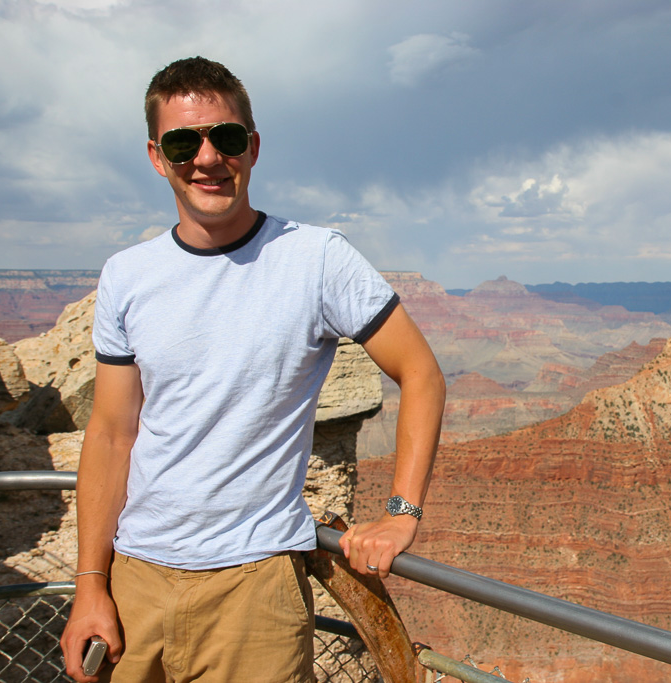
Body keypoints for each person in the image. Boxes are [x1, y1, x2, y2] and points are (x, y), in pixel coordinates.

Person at [60, 56, 445, 683]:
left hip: (255, 590)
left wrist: (403, 511)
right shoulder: (126, 276)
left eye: (226, 137)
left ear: (253, 147)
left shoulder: (317, 259)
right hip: (135, 582)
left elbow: (422, 374)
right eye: (184, 142)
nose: (207, 158)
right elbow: (110, 435)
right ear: (158, 157)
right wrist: (90, 586)